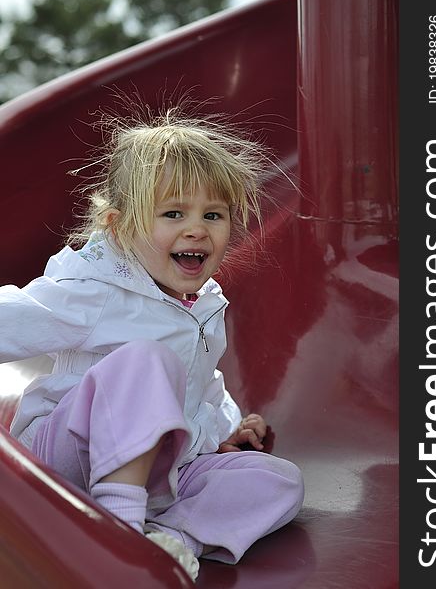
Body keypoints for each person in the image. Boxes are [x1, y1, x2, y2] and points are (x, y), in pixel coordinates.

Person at [0, 106, 304, 582]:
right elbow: (13, 318)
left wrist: (224, 430)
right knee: (146, 361)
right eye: (173, 213)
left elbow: (202, 386)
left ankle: (168, 541)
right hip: (65, 460)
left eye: (213, 214)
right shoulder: (95, 288)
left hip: (161, 473)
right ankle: (116, 534)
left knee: (278, 481)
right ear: (121, 227)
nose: (196, 228)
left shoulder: (203, 304)